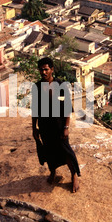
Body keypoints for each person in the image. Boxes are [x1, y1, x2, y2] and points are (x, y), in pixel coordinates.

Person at [31, 57, 81, 193]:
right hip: (44, 125)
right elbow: (35, 109)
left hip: (59, 125)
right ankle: (52, 172)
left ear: (52, 70)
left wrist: (66, 127)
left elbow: (67, 107)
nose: (43, 72)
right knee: (48, 151)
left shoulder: (61, 86)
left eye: (46, 69)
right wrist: (34, 127)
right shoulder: (36, 87)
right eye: (41, 70)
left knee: (66, 150)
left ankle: (74, 174)